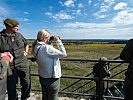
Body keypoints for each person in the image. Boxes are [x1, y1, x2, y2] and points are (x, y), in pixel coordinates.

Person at [0, 18, 31, 100]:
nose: (18, 28)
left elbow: (26, 44)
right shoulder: (0, 37)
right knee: (11, 86)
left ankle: (24, 98)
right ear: (9, 27)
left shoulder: (19, 35)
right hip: (10, 66)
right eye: (16, 26)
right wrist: (2, 54)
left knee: (26, 83)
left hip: (22, 63)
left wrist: (26, 52)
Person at [32, 29, 67, 100]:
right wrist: (58, 41)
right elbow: (64, 54)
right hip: (52, 78)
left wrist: (49, 41)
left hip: (42, 77)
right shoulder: (47, 48)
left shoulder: (36, 47)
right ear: (45, 38)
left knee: (45, 96)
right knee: (52, 97)